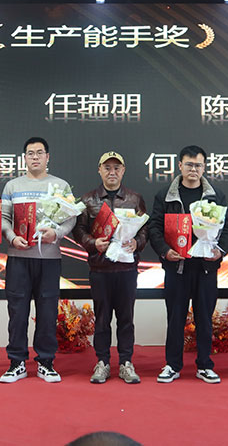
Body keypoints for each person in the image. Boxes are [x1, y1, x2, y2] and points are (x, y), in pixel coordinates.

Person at [148, 145, 228, 383]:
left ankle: (205, 365)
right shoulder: (165, 195)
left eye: (198, 165)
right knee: (175, 318)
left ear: (204, 167)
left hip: (205, 267)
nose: (193, 169)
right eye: (189, 164)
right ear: (180, 166)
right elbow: (154, 227)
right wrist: (165, 251)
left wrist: (219, 252)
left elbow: (227, 227)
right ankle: (172, 365)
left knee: (204, 318)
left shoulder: (216, 196)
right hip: (177, 267)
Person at [0, 136, 76, 383]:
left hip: (49, 259)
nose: (35, 157)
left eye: (39, 153)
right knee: (17, 312)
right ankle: (17, 362)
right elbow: (4, 218)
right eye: (30, 153)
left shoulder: (61, 186)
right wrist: (11, 237)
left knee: (47, 312)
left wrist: (57, 233)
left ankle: (46, 362)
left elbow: (71, 218)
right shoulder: (12, 186)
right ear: (25, 158)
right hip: (18, 257)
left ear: (47, 157)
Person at [73, 151, 148, 384]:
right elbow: (78, 230)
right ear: (99, 170)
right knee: (102, 319)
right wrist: (93, 242)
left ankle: (126, 362)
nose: (112, 172)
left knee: (126, 319)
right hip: (100, 269)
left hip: (126, 270)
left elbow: (145, 229)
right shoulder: (88, 199)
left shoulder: (135, 198)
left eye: (116, 168)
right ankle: (102, 362)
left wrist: (137, 242)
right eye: (107, 168)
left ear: (123, 171)